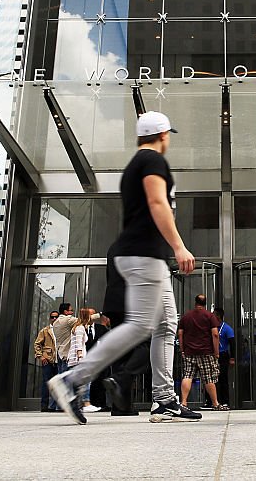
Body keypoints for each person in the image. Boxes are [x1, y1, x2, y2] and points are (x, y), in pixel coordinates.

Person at [48, 111, 200, 424]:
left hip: (143, 254)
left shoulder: (135, 165)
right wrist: (179, 246)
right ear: (161, 135)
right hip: (145, 254)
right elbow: (158, 204)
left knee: (166, 324)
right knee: (142, 326)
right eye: (167, 134)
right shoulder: (152, 161)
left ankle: (165, 399)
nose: (168, 139)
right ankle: (72, 380)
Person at [101, 243, 149, 417]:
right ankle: (121, 380)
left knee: (121, 353)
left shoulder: (113, 247)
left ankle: (121, 406)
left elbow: (110, 276)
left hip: (114, 303)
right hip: (132, 301)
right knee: (143, 346)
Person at [178, 294, 226, 411]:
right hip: (206, 352)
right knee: (209, 378)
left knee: (187, 376)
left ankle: (183, 402)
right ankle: (215, 404)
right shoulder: (210, 316)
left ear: (195, 302)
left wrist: (182, 349)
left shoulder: (186, 317)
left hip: (189, 352)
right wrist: (216, 352)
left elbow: (180, 333)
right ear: (205, 303)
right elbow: (215, 334)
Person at [68, 308, 99, 413]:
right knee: (86, 381)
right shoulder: (80, 328)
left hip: (75, 359)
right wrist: (80, 356)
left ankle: (79, 404)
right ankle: (86, 403)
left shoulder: (77, 327)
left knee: (79, 382)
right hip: (78, 359)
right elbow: (78, 343)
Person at [34, 310, 60, 412]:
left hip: (59, 360)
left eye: (56, 317)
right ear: (50, 318)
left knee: (58, 383)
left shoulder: (62, 330)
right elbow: (37, 344)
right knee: (46, 383)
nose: (54, 319)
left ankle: (55, 406)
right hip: (48, 360)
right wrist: (41, 357)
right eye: (52, 317)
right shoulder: (45, 330)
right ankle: (44, 406)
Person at [214, 308, 235, 408]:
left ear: (218, 316)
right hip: (213, 355)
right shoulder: (213, 328)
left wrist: (232, 358)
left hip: (223, 355)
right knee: (212, 379)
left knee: (223, 378)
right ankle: (213, 401)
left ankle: (225, 401)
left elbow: (232, 343)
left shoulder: (227, 328)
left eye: (214, 315)